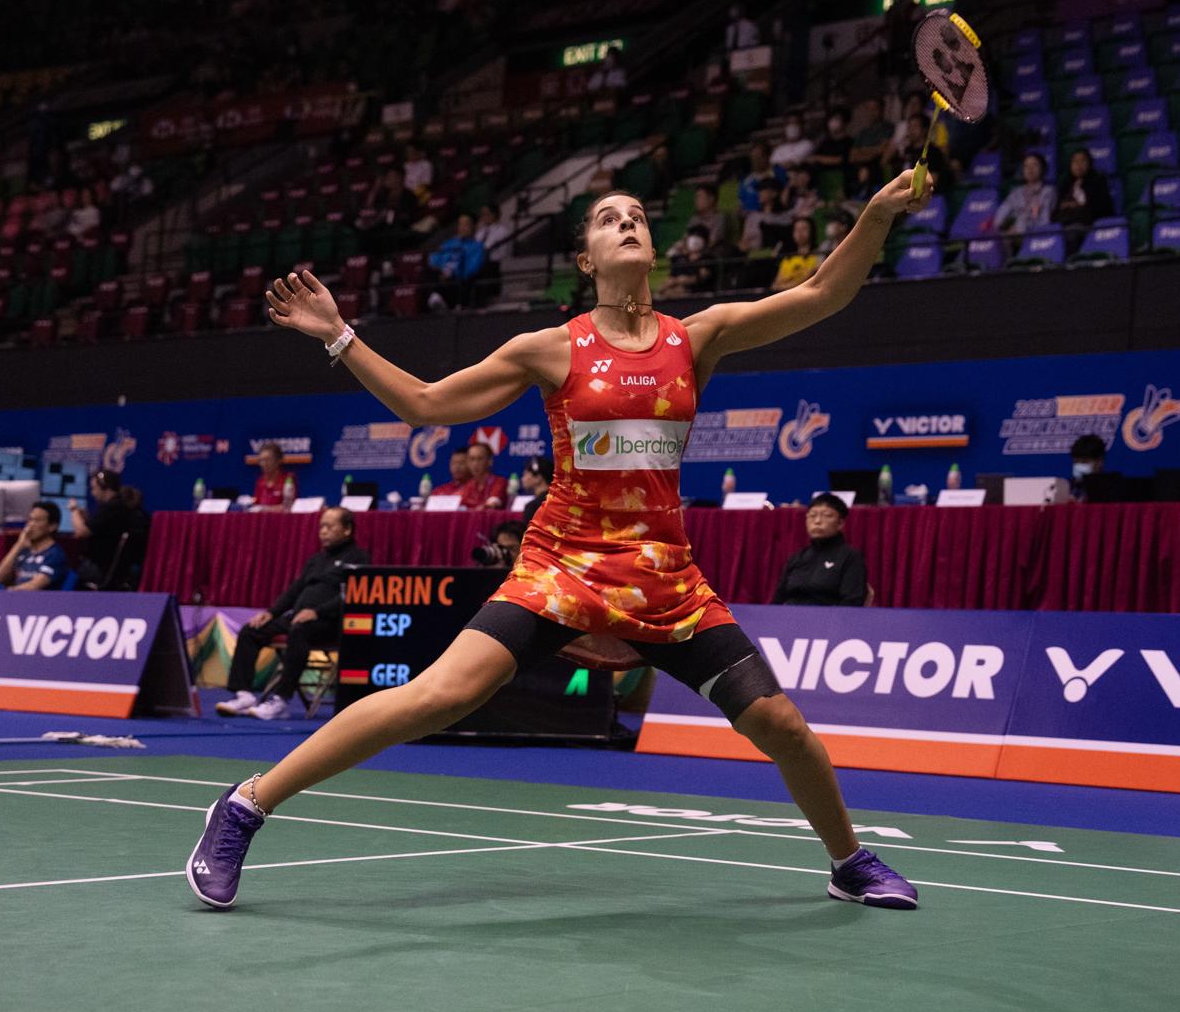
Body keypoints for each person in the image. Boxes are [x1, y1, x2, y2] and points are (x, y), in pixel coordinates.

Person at [189, 176, 934, 912]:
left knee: (780, 723)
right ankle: (247, 805)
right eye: (611, 219)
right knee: (439, 697)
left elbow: (821, 295)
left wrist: (874, 213)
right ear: (588, 260)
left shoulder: (695, 338)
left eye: (638, 215)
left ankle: (849, 862)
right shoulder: (550, 350)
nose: (629, 223)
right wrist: (338, 335)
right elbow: (424, 404)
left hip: (664, 575)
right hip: (563, 565)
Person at [215, 507, 370, 720]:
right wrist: (271, 612)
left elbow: (350, 596)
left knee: (299, 630)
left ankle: (280, 700)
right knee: (252, 630)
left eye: (329, 526)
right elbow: (294, 590)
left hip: (330, 624)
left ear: (347, 529)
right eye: (321, 526)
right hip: (298, 619)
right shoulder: (316, 559)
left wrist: (317, 612)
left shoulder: (358, 558)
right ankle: (243, 694)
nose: (323, 531)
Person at [772, 494, 868, 607]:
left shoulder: (851, 557)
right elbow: (778, 600)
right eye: (812, 516)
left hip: (830, 621)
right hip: (790, 619)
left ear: (840, 523)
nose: (817, 521)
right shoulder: (797, 557)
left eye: (826, 516)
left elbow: (852, 603)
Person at [68, 469, 147, 590]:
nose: (92, 492)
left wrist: (73, 510)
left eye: (94, 488)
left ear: (105, 487)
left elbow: (81, 532)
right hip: (117, 572)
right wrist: (87, 519)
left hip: (100, 570)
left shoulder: (112, 508)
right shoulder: (121, 507)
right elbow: (101, 529)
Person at [0, 501, 69, 591]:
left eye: (37, 521)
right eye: (30, 520)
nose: (30, 525)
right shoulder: (24, 552)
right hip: (17, 600)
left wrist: (9, 592)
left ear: (52, 526)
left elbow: (34, 586)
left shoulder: (55, 554)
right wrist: (19, 544)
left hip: (41, 603)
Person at [1055, 147, 1116, 237]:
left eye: (1082, 161)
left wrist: (1078, 207)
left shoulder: (1098, 180)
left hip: (1091, 225)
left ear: (1089, 163)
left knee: (1073, 233)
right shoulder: (1065, 183)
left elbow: (1103, 208)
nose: (1078, 165)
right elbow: (1058, 209)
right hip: (1066, 225)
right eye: (1075, 161)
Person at [995, 153, 1056, 235]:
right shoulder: (1016, 192)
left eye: (1035, 165)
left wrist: (1021, 229)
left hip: (1036, 234)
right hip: (1013, 234)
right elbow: (1000, 217)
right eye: (1026, 166)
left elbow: (1045, 221)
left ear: (1043, 169)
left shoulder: (1048, 191)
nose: (1030, 169)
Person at [771, 216, 822, 292]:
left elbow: (805, 282)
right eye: (797, 230)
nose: (799, 233)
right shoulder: (788, 258)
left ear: (812, 231)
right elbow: (775, 285)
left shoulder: (819, 255)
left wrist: (785, 286)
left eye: (804, 229)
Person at [459, 440, 509, 510]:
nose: (475, 464)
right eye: (472, 459)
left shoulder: (499, 482)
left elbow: (492, 504)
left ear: (489, 461)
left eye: (480, 459)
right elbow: (461, 507)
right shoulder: (468, 485)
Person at [252, 441, 295, 510]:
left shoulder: (288, 479)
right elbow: (256, 506)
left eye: (268, 460)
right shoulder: (260, 481)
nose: (264, 464)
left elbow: (289, 507)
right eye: (261, 460)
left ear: (278, 460)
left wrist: (265, 509)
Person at [1069, 433, 1106, 499]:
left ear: (1099, 462)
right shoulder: (1067, 488)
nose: (1079, 466)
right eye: (1076, 462)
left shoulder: (1110, 490)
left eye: (1084, 462)